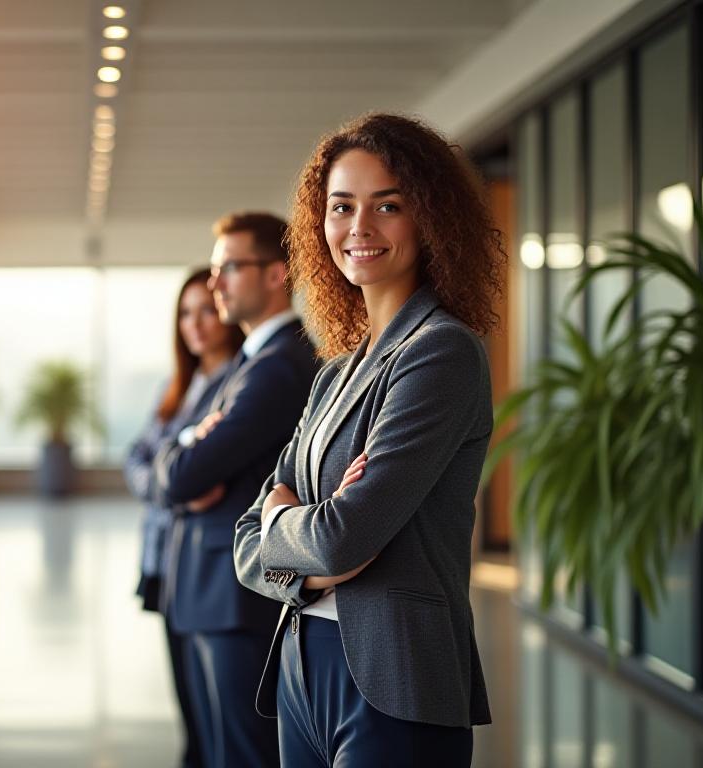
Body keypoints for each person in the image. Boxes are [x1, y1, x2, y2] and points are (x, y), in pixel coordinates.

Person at [233, 113, 504, 767]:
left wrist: (296, 524)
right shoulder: (335, 371)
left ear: (428, 217)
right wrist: (300, 538)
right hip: (302, 662)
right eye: (341, 207)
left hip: (396, 678)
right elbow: (246, 541)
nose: (360, 228)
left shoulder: (441, 354)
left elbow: (343, 536)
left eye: (388, 205)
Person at [153, 212, 320, 768]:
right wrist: (182, 450)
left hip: (235, 599)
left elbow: (179, 474)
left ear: (277, 274)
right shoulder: (250, 364)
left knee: (242, 754)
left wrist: (179, 453)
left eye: (230, 267)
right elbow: (177, 467)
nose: (216, 281)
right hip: (212, 595)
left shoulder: (277, 368)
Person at [125, 267, 244, 768]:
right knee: (189, 709)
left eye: (205, 310)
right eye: (185, 313)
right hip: (163, 561)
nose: (194, 324)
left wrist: (166, 471)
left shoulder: (238, 382)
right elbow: (136, 460)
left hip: (204, 564)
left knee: (215, 717)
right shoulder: (177, 388)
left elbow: (170, 468)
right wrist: (170, 483)